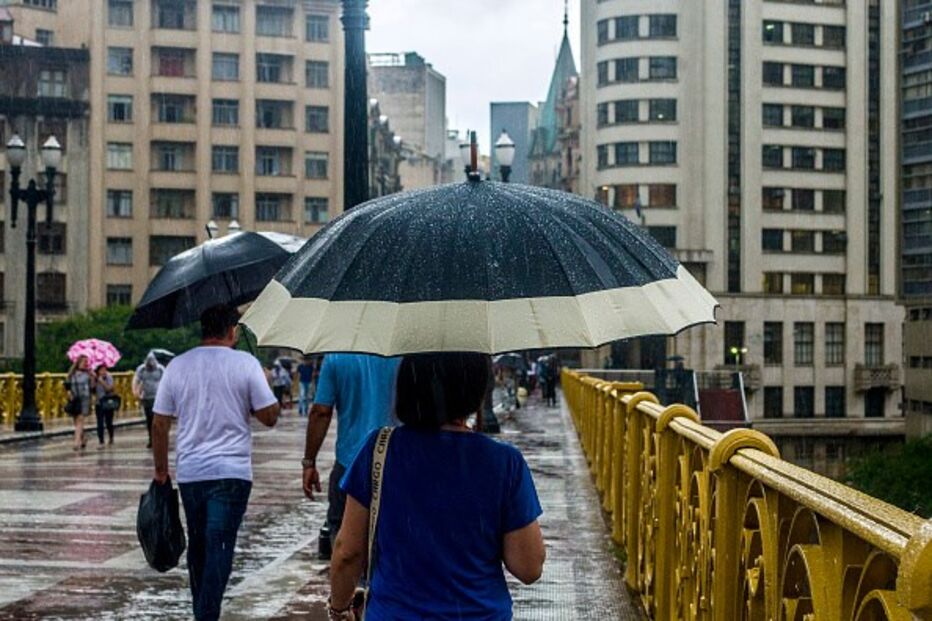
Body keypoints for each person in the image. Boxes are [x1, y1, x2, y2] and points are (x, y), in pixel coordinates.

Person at [328, 353, 545, 620]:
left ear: (408, 383)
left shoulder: (379, 450)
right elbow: (529, 567)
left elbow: (347, 552)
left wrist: (339, 608)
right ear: (477, 387)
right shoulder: (504, 462)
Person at [151, 305, 280, 621]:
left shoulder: (178, 366)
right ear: (233, 331)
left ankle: (203, 612)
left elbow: (159, 424)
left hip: (192, 473)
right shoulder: (246, 364)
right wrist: (264, 383)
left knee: (199, 545)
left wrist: (161, 472)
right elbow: (270, 417)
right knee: (220, 545)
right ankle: (206, 615)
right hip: (232, 473)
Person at [301, 353, 401, 552]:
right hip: (395, 461)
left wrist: (309, 462)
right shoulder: (405, 354)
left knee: (343, 535)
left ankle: (349, 581)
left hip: (349, 463)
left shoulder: (336, 357)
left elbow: (321, 411)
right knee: (392, 533)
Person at [133, 352, 165, 449]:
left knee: (157, 419)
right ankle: (151, 438)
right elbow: (136, 380)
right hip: (146, 397)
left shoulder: (160, 369)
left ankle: (159, 438)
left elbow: (166, 381)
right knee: (149, 420)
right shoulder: (141, 369)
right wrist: (135, 391)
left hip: (158, 397)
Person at [66, 355, 93, 451]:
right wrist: (69, 394)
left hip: (84, 399)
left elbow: (92, 388)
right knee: (76, 421)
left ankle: (76, 442)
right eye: (83, 361)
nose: (85, 363)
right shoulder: (72, 374)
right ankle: (83, 438)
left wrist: (93, 377)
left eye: (86, 362)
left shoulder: (88, 374)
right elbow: (67, 386)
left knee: (80, 420)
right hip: (74, 398)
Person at [94, 365, 117, 448]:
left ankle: (111, 437)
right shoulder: (95, 377)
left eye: (105, 370)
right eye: (101, 370)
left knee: (109, 422)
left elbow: (109, 389)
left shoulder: (109, 377)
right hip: (99, 403)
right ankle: (101, 441)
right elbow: (92, 389)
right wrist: (93, 379)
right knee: (99, 422)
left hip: (108, 402)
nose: (103, 372)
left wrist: (102, 381)